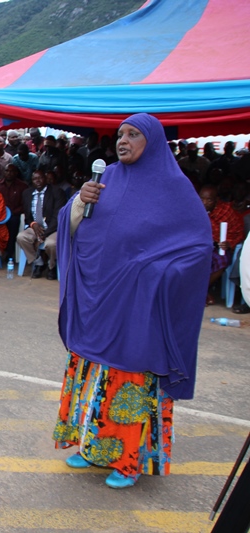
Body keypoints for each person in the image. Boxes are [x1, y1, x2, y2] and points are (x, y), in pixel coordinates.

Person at [53, 113, 211, 489]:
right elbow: (73, 229)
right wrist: (77, 204)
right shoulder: (104, 178)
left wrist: (153, 273)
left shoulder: (174, 188)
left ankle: (129, 461)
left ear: (152, 141)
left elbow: (198, 248)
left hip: (140, 307)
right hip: (99, 302)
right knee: (95, 376)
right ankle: (93, 448)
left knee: (130, 379)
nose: (123, 141)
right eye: (120, 134)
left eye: (133, 134)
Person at [16, 169, 67, 280]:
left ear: (46, 179)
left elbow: (58, 217)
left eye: (40, 178)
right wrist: (33, 224)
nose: (37, 181)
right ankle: (38, 263)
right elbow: (28, 217)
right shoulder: (27, 193)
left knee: (51, 244)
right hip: (36, 227)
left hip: (53, 228)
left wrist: (44, 234)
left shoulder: (56, 192)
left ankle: (52, 266)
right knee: (21, 237)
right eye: (34, 179)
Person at [199, 185, 244, 305]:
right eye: (202, 199)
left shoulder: (226, 212)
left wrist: (228, 243)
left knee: (221, 261)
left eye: (209, 200)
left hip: (219, 247)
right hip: (200, 246)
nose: (204, 203)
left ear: (216, 200)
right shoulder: (195, 209)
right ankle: (198, 292)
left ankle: (199, 291)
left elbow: (238, 233)